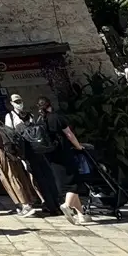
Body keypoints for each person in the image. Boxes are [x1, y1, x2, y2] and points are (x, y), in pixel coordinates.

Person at [0, 101, 39, 217]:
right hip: (9, 152)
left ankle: (24, 205)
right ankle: (26, 202)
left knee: (10, 178)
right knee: (17, 175)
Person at [36, 96, 91, 225]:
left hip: (51, 156)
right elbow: (69, 134)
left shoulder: (40, 120)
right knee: (74, 182)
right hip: (64, 153)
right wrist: (79, 146)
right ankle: (66, 205)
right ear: (50, 105)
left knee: (66, 185)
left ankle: (81, 214)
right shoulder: (56, 117)